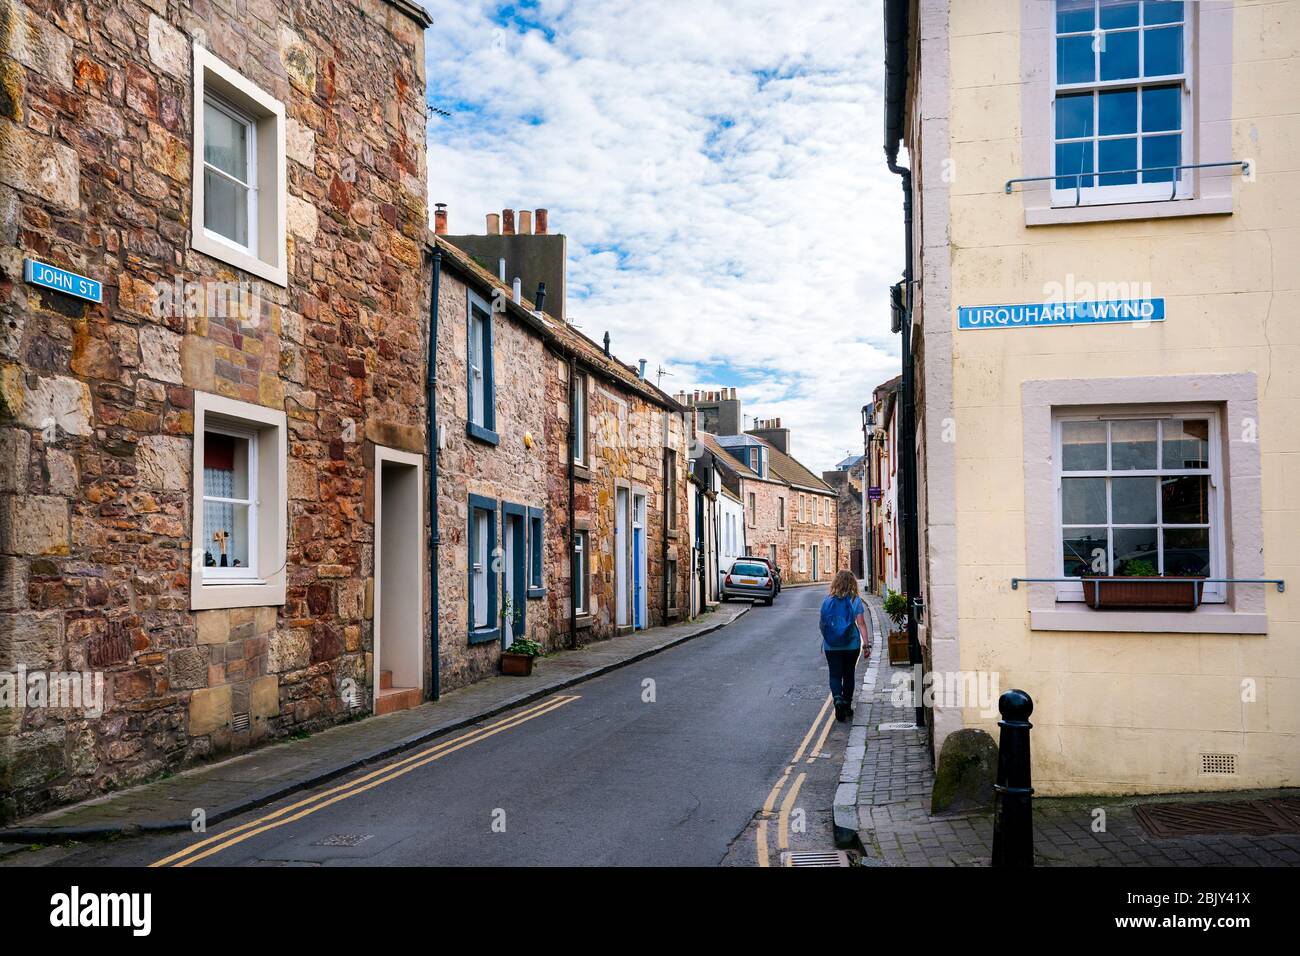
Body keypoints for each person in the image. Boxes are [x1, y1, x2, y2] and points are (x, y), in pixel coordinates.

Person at [818, 570, 871, 722]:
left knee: (835, 674)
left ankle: (837, 700)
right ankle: (847, 705)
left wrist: (828, 638)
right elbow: (861, 624)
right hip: (851, 645)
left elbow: (822, 625)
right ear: (852, 583)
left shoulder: (827, 601)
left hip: (831, 646)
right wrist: (866, 645)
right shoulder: (855, 600)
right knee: (848, 674)